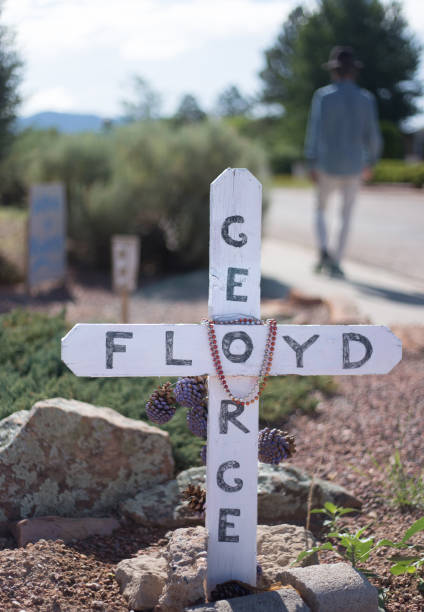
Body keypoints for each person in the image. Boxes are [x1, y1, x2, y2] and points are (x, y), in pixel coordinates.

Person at [304, 46, 382, 278]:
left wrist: (311, 160)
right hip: (354, 166)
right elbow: (373, 136)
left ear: (334, 71)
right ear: (353, 72)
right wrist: (371, 162)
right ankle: (336, 260)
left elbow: (314, 131)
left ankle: (323, 251)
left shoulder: (323, 97)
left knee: (320, 210)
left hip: (326, 164)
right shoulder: (366, 99)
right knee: (346, 215)